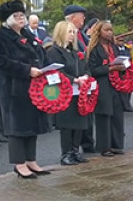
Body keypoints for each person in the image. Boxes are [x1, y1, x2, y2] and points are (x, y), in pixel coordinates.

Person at [0, 0, 50, 178]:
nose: (20, 19)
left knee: (32, 125)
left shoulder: (27, 35)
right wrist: (26, 70)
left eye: (22, 15)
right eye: (15, 16)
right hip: (14, 89)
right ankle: (19, 163)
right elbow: (0, 62)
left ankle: (31, 160)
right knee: (17, 128)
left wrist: (45, 68)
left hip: (33, 86)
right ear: (6, 20)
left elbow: (39, 54)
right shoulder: (0, 39)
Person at [46, 21, 90, 165]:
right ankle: (66, 153)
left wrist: (85, 76)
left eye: (73, 32)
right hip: (65, 92)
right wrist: (74, 79)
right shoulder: (54, 51)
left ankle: (75, 151)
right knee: (67, 124)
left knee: (79, 123)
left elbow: (85, 67)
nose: (72, 35)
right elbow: (56, 71)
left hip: (79, 91)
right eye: (69, 32)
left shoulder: (75, 52)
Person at [87, 21, 127, 157]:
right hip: (102, 84)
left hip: (115, 84)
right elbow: (92, 69)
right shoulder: (93, 49)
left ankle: (117, 144)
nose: (110, 33)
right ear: (99, 31)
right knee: (104, 115)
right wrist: (110, 68)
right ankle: (105, 147)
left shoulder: (113, 47)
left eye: (111, 30)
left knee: (117, 114)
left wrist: (122, 68)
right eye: (106, 30)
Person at [64, 5, 95, 153]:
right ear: (71, 17)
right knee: (74, 119)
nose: (84, 18)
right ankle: (73, 149)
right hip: (72, 84)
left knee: (87, 115)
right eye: (80, 15)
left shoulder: (82, 35)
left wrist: (87, 75)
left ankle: (87, 144)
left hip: (84, 80)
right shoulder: (64, 40)